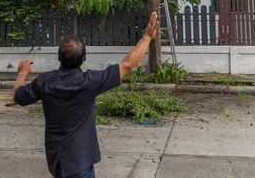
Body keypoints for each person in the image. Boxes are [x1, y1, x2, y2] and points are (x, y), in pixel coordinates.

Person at [12, 12, 159, 178]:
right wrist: (147, 36)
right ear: (84, 58)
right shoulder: (89, 82)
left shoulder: (45, 81)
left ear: (58, 57)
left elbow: (18, 96)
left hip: (57, 161)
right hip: (80, 163)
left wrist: (22, 73)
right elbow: (128, 65)